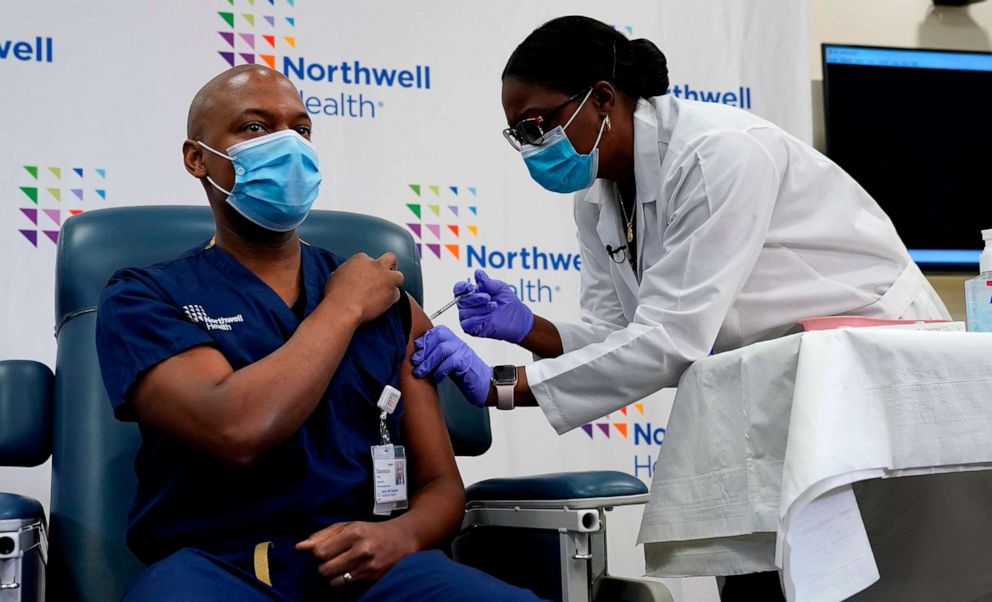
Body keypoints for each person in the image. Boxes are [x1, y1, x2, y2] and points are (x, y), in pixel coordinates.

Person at [409, 16, 951, 601]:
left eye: (538, 123)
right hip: (771, 375)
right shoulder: (598, 198)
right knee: (762, 570)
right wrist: (532, 330)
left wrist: (503, 387)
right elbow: (620, 337)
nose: (533, 145)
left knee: (863, 577)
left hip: (862, 360)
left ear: (603, 99)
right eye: (519, 133)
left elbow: (667, 341)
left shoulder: (718, 155)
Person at [95, 65, 542, 602]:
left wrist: (400, 536)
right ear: (197, 158)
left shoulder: (389, 301)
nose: (287, 145)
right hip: (217, 572)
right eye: (255, 128)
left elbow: (441, 486)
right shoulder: (146, 297)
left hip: (377, 569)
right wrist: (343, 307)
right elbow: (236, 428)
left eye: (300, 130)